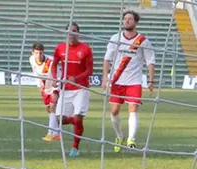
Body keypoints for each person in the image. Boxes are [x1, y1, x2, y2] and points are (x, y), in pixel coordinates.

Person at [103, 10, 155, 152]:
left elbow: (150, 61)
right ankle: (119, 136)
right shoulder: (115, 38)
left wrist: (151, 81)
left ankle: (131, 139)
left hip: (134, 81)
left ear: (136, 22)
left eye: (130, 19)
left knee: (133, 108)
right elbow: (107, 59)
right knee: (114, 111)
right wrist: (105, 77)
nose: (126, 21)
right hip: (117, 81)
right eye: (125, 19)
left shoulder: (143, 41)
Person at [51, 22, 94, 157]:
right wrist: (54, 77)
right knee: (58, 119)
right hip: (65, 88)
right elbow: (54, 64)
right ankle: (75, 121)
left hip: (81, 88)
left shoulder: (86, 49)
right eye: (69, 31)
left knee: (78, 117)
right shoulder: (60, 48)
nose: (71, 34)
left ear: (78, 33)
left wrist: (77, 78)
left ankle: (75, 147)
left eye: (74, 31)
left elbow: (89, 70)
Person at [29, 42, 59, 142]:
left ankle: (50, 133)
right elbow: (36, 73)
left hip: (56, 81)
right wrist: (40, 85)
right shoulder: (31, 59)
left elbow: (58, 73)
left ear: (43, 52)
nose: (39, 55)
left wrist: (56, 83)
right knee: (48, 108)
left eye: (41, 53)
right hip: (44, 83)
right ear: (32, 52)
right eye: (37, 53)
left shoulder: (50, 62)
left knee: (52, 106)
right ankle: (56, 132)